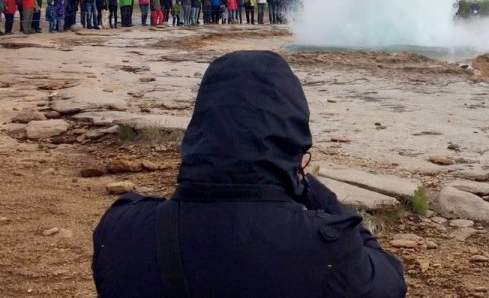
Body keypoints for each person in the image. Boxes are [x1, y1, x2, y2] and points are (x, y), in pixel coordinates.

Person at [92, 51, 406, 298]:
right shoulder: (328, 249)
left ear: (200, 129)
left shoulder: (119, 231)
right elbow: (391, 280)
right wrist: (304, 183)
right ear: (294, 146)